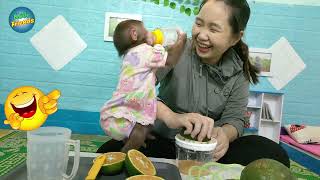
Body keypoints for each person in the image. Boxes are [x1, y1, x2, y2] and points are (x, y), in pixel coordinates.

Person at [98, 0, 290, 167]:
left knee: (272, 153)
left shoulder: (239, 71)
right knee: (108, 152)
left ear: (235, 37)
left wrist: (224, 134)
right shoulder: (174, 50)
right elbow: (136, 92)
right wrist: (172, 117)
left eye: (213, 29)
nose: (201, 35)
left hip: (208, 151)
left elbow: (236, 120)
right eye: (199, 23)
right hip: (165, 141)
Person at [100, 19, 185, 152]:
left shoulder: (130, 55)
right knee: (142, 128)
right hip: (124, 115)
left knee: (146, 125)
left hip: (116, 117)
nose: (149, 31)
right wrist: (181, 40)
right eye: (145, 29)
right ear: (134, 34)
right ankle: (124, 156)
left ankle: (133, 137)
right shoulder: (143, 51)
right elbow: (171, 60)